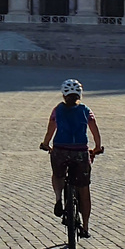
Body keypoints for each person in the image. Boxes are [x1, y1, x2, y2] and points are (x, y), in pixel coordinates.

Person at [39, 79, 103, 238]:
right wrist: (97, 148)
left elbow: (50, 131)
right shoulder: (86, 110)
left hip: (60, 150)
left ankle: (59, 198)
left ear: (63, 95)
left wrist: (46, 144)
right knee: (84, 189)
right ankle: (86, 227)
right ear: (79, 95)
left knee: (58, 175)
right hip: (80, 152)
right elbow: (95, 130)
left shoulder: (57, 110)